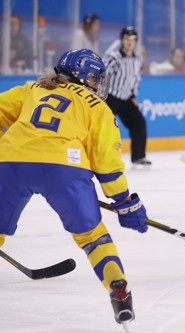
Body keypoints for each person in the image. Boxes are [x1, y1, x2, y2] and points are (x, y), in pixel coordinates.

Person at [0, 49, 148, 326]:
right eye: (93, 78)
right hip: (64, 169)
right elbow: (106, 163)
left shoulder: (33, 88)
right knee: (93, 237)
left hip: (11, 163)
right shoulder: (98, 107)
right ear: (80, 76)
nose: (96, 84)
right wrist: (123, 200)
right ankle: (118, 288)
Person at [103, 26, 151, 167]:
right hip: (110, 97)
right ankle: (103, 156)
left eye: (133, 39)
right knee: (106, 127)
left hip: (126, 98)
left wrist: (133, 96)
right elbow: (103, 76)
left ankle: (138, 157)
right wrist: (101, 97)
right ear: (122, 40)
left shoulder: (137, 60)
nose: (129, 42)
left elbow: (136, 79)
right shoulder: (114, 57)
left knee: (139, 123)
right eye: (126, 38)